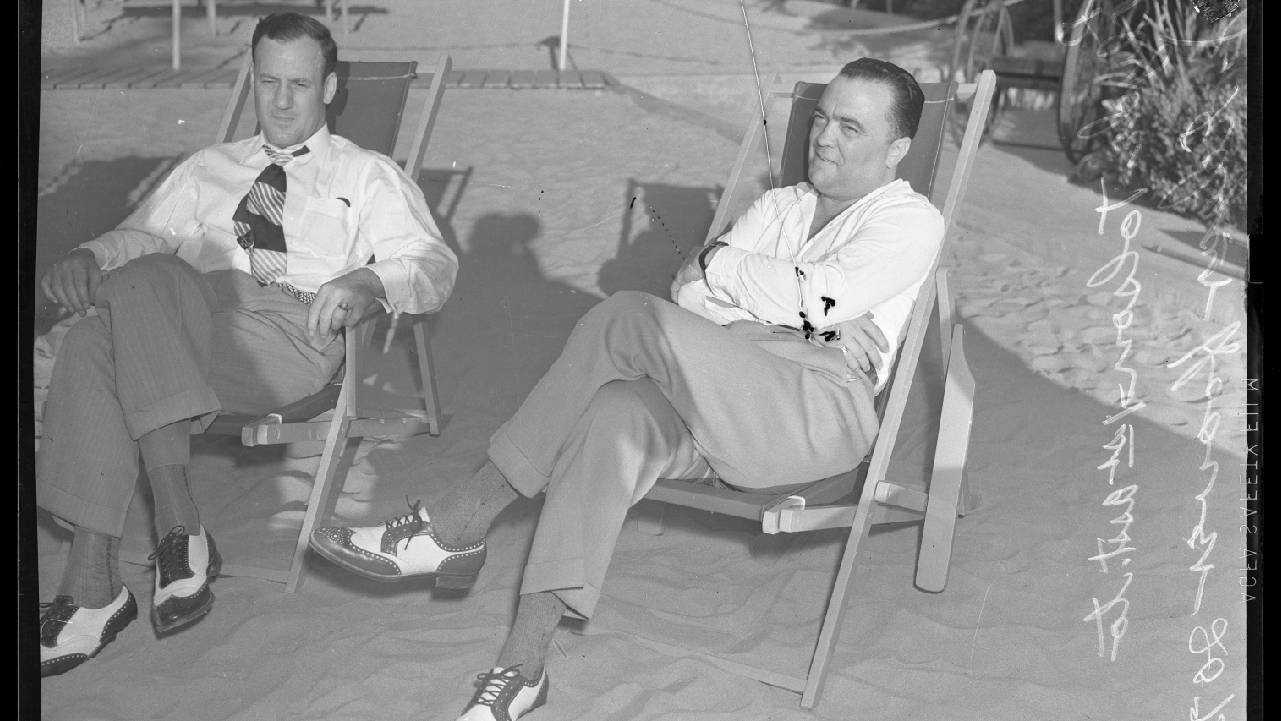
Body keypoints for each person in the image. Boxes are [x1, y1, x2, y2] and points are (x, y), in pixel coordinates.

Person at [309, 57, 942, 720]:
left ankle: (459, 522)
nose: (824, 138)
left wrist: (730, 267)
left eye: (850, 127)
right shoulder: (780, 206)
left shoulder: (909, 221)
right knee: (612, 415)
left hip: (813, 414)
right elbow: (689, 292)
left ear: (897, 148)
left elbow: (812, 291)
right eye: (820, 119)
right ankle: (521, 667)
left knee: (625, 317)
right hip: (722, 385)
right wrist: (804, 317)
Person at [36, 13, 457, 677]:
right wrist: (91, 252)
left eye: (299, 84)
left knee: (104, 331)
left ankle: (103, 579)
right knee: (120, 305)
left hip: (285, 332)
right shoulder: (209, 165)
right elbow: (142, 236)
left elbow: (431, 265)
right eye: (268, 83)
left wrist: (368, 277)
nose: (282, 100)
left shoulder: (367, 175)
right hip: (180, 318)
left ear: (329, 87)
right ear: (252, 82)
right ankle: (165, 543)